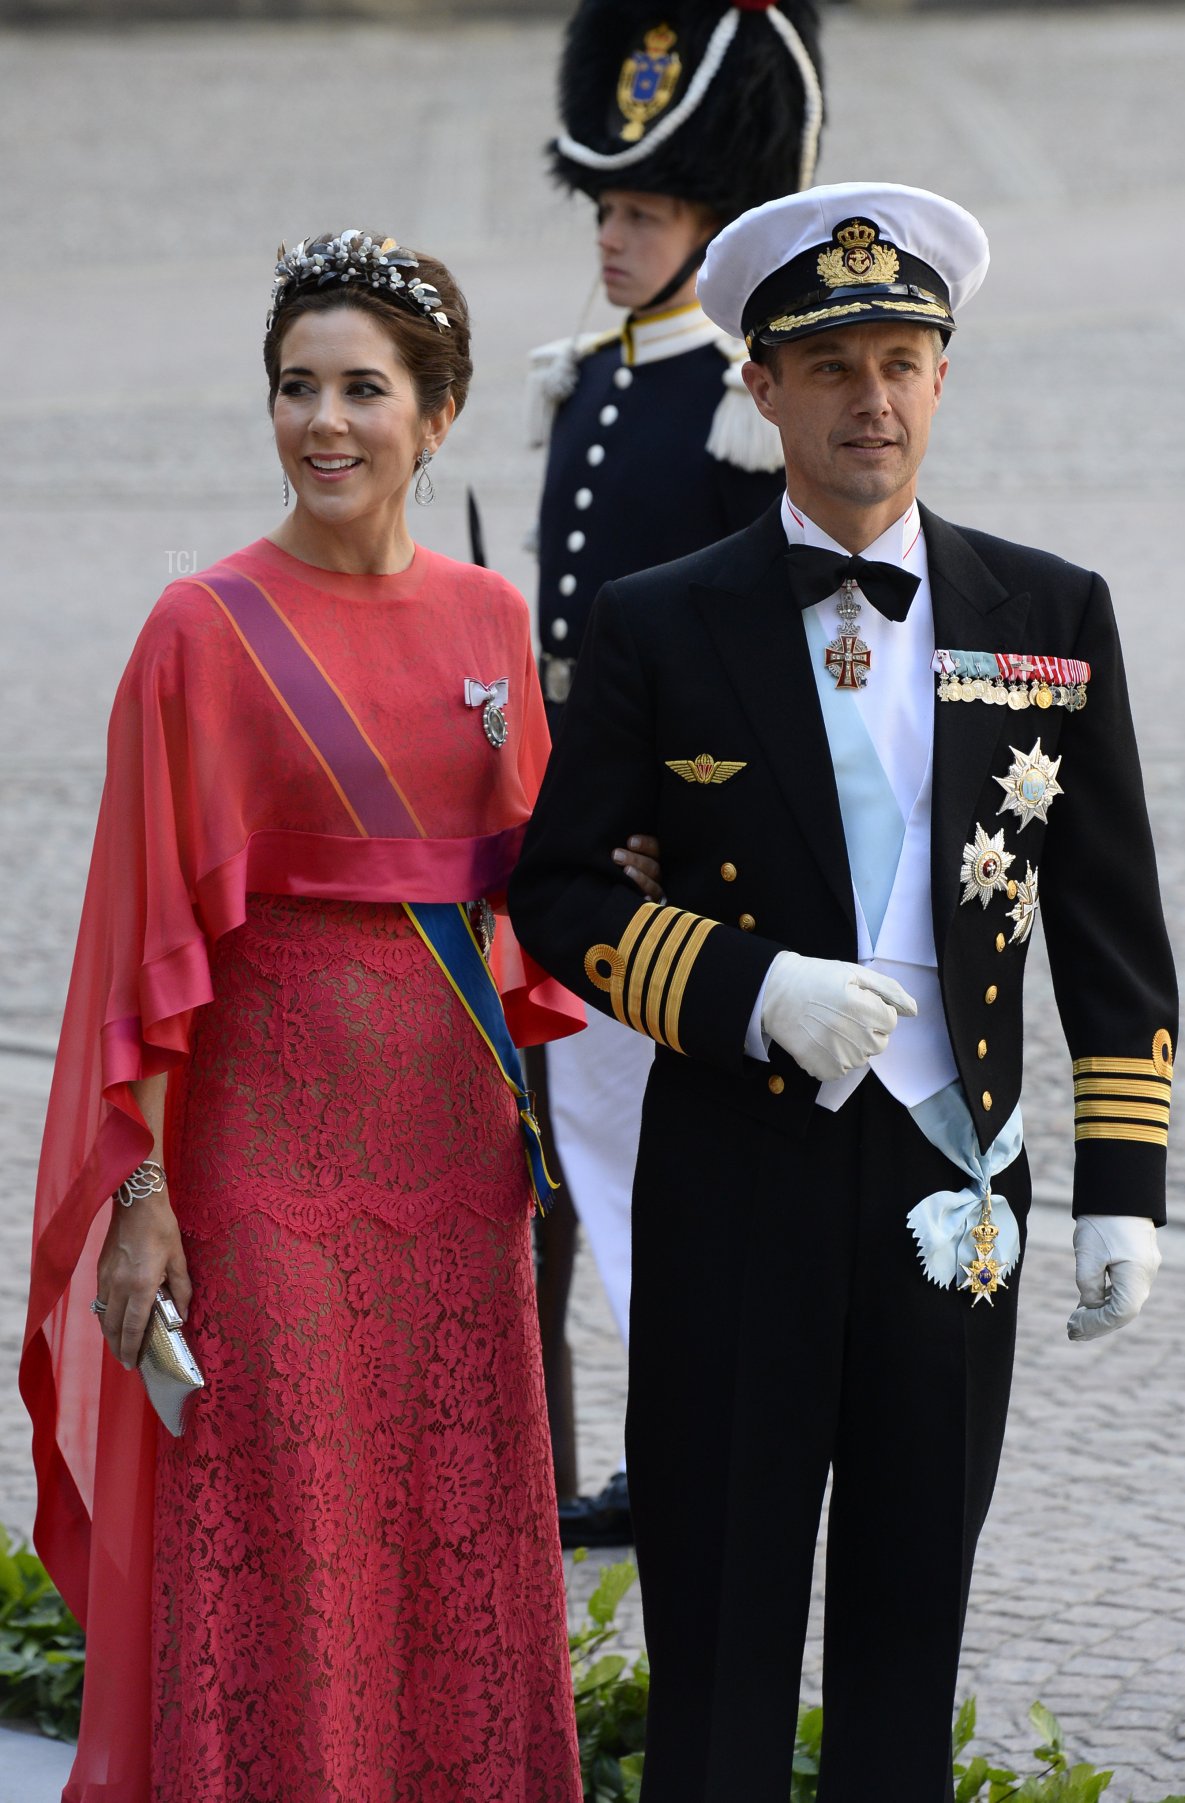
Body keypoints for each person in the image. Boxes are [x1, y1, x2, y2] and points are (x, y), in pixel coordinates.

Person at [509, 182, 1178, 1801]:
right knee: (720, 1623)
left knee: (908, 1623)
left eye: (899, 362)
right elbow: (560, 891)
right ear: (762, 387)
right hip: (740, 1171)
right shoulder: (661, 620)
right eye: (828, 367)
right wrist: (749, 988)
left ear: (943, 376)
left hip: (955, 1177)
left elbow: (1111, 928)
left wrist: (1124, 1190)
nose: (869, 400)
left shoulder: (1050, 615)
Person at [21, 228, 660, 1803]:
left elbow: (540, 887)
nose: (324, 422)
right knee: (286, 1528)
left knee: (451, 1523)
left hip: (455, 1156)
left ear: (437, 416)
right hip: (263, 1165)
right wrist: (142, 1194)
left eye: (363, 389)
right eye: (295, 387)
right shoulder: (199, 630)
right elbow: (139, 946)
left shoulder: (491, 620)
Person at [526, 0, 824, 1540]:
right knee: (586, 1148)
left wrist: (678, 817)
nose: (614, 237)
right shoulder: (585, 376)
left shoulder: (728, 396)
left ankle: (697, 1444)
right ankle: (652, 1446)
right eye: (608, 209)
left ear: (711, 226)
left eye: (644, 214)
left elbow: (746, 641)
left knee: (661, 1161)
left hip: (671, 850)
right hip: (577, 825)